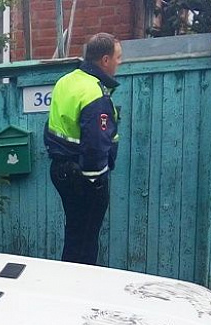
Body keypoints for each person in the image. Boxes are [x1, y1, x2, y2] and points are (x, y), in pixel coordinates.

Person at [44, 33, 123, 265]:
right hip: (84, 176)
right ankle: (80, 291)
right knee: (86, 242)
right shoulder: (94, 92)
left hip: (60, 170)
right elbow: (96, 145)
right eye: (118, 57)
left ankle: (68, 286)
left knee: (75, 236)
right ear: (105, 60)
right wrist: (94, 181)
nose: (120, 62)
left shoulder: (65, 81)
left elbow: (51, 127)